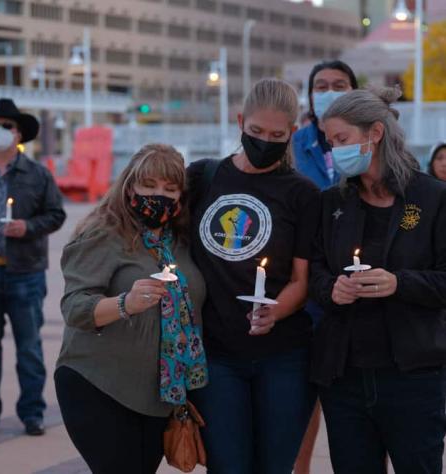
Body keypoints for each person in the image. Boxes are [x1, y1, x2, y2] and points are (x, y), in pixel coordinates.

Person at [310, 87, 446, 474]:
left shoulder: (433, 198)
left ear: (375, 133)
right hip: (345, 378)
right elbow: (316, 273)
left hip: (413, 376)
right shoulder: (332, 203)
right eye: (330, 142)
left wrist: (399, 283)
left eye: (342, 139)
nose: (335, 150)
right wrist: (331, 289)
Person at [188, 78, 320, 473]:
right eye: (256, 131)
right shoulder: (204, 178)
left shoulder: (303, 194)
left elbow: (302, 278)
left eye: (277, 135)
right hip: (216, 355)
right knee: (227, 466)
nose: (265, 141)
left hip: (284, 357)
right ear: (240, 121)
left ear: (291, 134)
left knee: (274, 466)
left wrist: (275, 311)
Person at [55, 144, 208, 473]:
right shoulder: (103, 234)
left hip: (156, 396)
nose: (159, 195)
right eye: (149, 185)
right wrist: (126, 303)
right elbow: (75, 307)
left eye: (170, 188)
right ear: (130, 187)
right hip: (99, 386)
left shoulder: (179, 241)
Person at [0, 98, 66, 436]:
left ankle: (32, 413)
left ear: (18, 133)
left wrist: (27, 227)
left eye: (6, 126)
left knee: (28, 347)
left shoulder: (37, 174)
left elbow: (57, 214)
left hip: (24, 273)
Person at [292, 59, 358, 474]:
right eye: (321, 85)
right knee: (303, 399)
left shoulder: (370, 144)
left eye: (338, 84)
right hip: (305, 284)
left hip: (356, 285)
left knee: (360, 407)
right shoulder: (294, 143)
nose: (329, 90)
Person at [293, 60, 358, 191]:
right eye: (322, 87)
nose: (330, 93)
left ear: (354, 94)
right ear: (311, 96)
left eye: (339, 87)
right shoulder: (294, 143)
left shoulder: (367, 141)